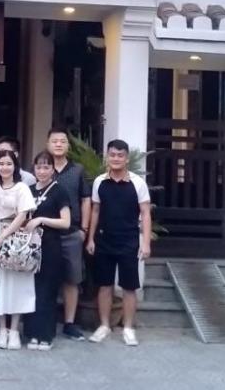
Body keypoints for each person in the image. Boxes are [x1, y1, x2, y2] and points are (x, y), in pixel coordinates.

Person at [85, 139, 152, 347]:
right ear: (107, 157)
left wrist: (146, 243)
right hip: (104, 239)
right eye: (112, 155)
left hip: (129, 240)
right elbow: (95, 211)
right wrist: (90, 238)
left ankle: (129, 328)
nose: (116, 159)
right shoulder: (99, 182)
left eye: (120, 155)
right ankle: (104, 325)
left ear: (127, 158)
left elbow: (146, 213)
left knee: (129, 286)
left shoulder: (137, 183)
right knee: (104, 285)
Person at [0, 150, 37, 350]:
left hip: (16, 241)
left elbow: (22, 215)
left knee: (17, 285)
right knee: (0, 285)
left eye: (8, 163)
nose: (4, 167)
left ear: (15, 166)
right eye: (1, 163)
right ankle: (2, 329)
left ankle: (14, 330)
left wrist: (2, 236)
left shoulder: (22, 188)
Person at [43, 128, 91, 340]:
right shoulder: (42, 168)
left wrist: (84, 230)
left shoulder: (78, 170)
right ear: (48, 144)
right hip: (45, 232)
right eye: (55, 141)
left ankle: (69, 323)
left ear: (68, 146)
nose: (59, 144)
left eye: (63, 141)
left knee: (72, 278)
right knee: (46, 277)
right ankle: (46, 320)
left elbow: (86, 199)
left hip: (72, 232)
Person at [24, 152, 72, 350]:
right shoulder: (28, 190)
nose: (42, 171)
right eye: (39, 167)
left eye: (46, 167)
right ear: (33, 169)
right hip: (29, 246)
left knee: (47, 290)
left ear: (53, 169)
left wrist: (41, 220)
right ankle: (32, 333)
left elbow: (66, 222)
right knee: (31, 289)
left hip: (50, 246)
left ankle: (46, 335)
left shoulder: (59, 191)